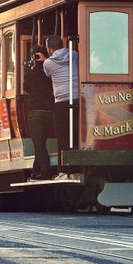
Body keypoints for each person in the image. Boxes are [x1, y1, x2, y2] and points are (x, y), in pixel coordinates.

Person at [43, 35, 79, 167]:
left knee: (63, 136)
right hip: (77, 98)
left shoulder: (48, 63)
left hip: (62, 102)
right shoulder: (75, 55)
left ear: (50, 49)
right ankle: (78, 164)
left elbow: (47, 74)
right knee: (76, 133)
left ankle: (64, 168)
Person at [23, 45, 54, 181]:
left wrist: (34, 67)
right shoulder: (50, 72)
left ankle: (45, 172)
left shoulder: (30, 74)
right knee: (40, 142)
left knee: (39, 143)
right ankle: (36, 170)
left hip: (36, 113)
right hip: (50, 113)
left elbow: (26, 88)